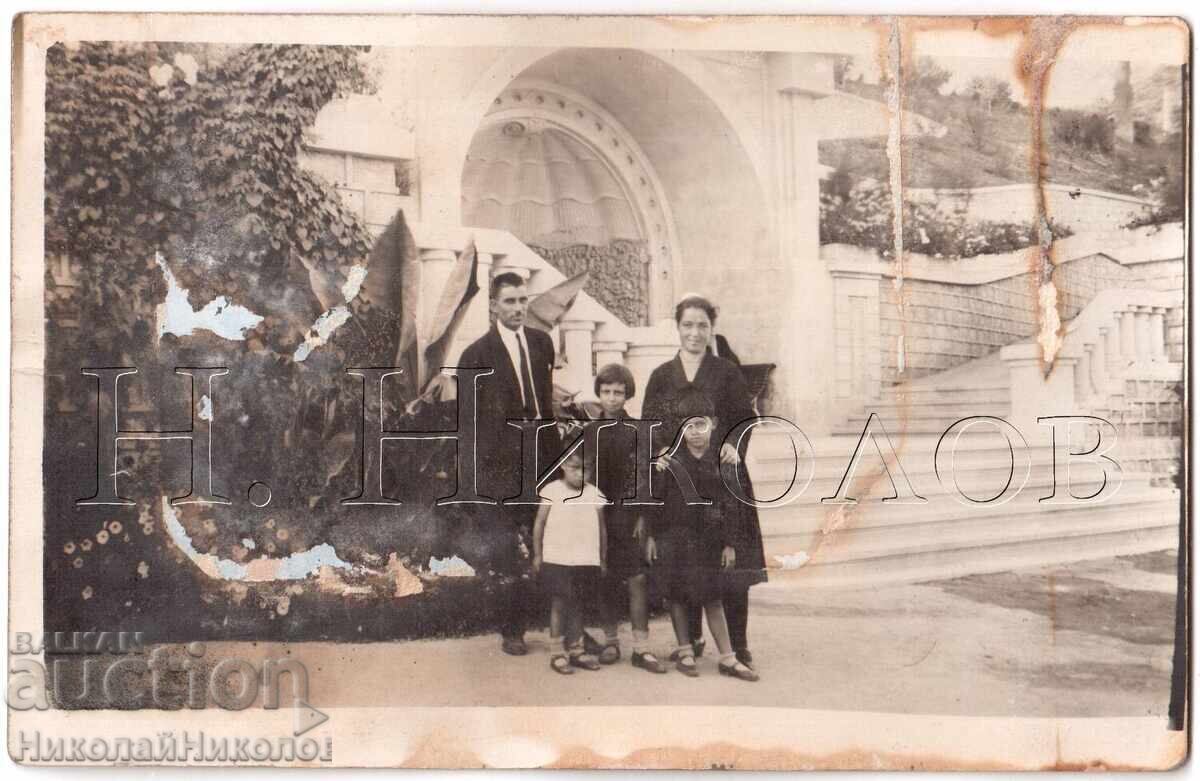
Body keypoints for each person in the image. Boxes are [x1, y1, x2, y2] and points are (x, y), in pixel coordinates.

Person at [641, 294, 768, 670]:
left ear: (712, 328)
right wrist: (662, 450)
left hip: (722, 477)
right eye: (688, 325)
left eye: (702, 325)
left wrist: (733, 444)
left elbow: (746, 418)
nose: (694, 333)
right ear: (677, 327)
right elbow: (649, 423)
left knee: (730, 563)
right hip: (679, 479)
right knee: (688, 559)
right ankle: (693, 640)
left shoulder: (727, 372)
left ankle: (739, 644)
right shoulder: (662, 375)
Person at [458, 271, 562, 657]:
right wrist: (473, 484)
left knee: (551, 545)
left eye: (522, 300)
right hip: (499, 473)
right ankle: (512, 630)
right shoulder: (475, 356)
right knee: (505, 552)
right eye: (510, 302)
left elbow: (546, 404)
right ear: (494, 306)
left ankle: (559, 627)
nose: (518, 308)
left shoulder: (541, 344)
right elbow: (467, 426)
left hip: (542, 464)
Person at [644, 387, 758, 682]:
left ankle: (728, 657)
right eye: (688, 425)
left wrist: (730, 543)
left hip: (709, 540)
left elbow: (732, 505)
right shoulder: (670, 460)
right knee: (677, 597)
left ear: (714, 423)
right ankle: (684, 650)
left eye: (701, 424)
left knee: (713, 598)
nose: (694, 432)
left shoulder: (722, 460)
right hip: (674, 538)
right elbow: (657, 501)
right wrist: (653, 536)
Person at [585, 363, 668, 674]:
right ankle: (610, 641)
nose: (612, 398)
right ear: (599, 393)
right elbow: (584, 475)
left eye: (618, 392)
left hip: (629, 514)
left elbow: (653, 476)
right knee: (606, 579)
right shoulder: (590, 431)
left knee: (637, 580)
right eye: (606, 391)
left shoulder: (641, 430)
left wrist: (645, 515)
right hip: (598, 515)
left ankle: (641, 648)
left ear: (627, 394)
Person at [532, 449, 607, 674]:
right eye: (575, 468)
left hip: (585, 559)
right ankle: (557, 652)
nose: (581, 474)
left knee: (578, 603)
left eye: (586, 469)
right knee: (559, 603)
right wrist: (537, 554)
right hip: (557, 558)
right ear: (564, 466)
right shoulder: (551, 490)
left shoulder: (595, 493)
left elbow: (602, 528)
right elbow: (539, 523)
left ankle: (576, 649)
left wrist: (602, 558)